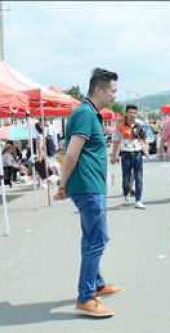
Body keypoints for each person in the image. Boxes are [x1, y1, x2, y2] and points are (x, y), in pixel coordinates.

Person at [54, 68, 123, 318]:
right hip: (88, 187)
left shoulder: (89, 113)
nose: (115, 95)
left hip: (91, 185)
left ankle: (97, 284)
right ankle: (85, 297)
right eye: (113, 91)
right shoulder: (85, 114)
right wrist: (62, 185)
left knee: (91, 238)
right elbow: (71, 153)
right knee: (97, 240)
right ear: (100, 89)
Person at [110, 104, 147, 209]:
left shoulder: (139, 125)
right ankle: (126, 195)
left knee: (139, 177)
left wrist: (146, 150)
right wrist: (114, 155)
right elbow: (116, 141)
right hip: (126, 154)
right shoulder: (120, 125)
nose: (133, 115)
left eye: (134, 113)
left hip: (137, 153)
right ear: (126, 113)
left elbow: (143, 139)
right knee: (126, 177)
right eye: (130, 112)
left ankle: (138, 200)